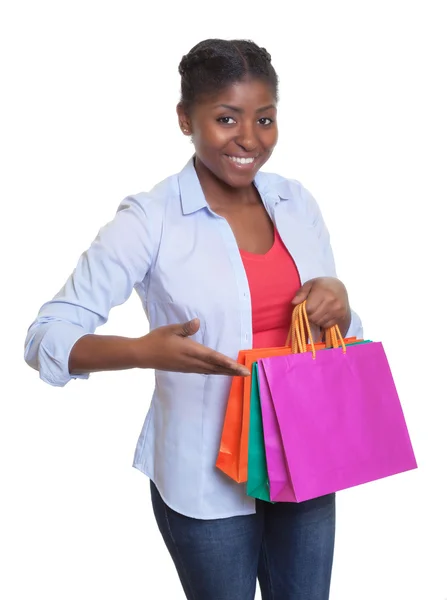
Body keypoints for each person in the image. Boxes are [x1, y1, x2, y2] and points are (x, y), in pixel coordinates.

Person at [24, 38, 362, 600]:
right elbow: (46, 336)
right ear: (186, 118)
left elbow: (330, 336)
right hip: (205, 478)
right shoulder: (149, 219)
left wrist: (342, 303)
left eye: (265, 119)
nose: (249, 138)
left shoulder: (297, 203)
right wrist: (141, 351)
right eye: (226, 118)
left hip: (305, 457)